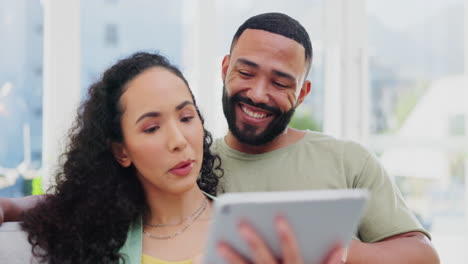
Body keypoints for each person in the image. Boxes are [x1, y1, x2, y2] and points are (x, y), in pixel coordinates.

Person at [1, 12, 439, 263]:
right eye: (246, 72)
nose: (258, 92)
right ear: (225, 68)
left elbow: (423, 258)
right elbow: (95, 193)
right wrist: (13, 206)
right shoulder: (189, 168)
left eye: (281, 81)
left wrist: (327, 249)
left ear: (303, 92)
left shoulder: (346, 160)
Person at [15, 52, 225, 263]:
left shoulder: (245, 231)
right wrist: (10, 207)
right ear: (121, 152)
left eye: (186, 117)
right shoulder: (95, 242)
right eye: (152, 129)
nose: (178, 141)